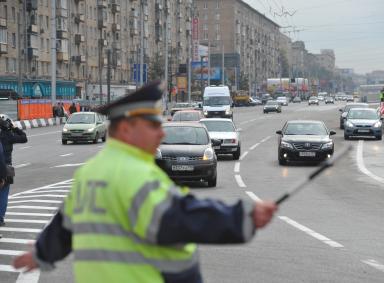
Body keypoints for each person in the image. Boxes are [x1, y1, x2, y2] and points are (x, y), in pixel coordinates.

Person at [13, 81, 277, 282]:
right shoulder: (134, 174)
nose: (162, 131)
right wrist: (243, 217)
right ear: (127, 129)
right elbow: (179, 218)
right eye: (153, 124)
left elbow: (65, 226)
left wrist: (41, 254)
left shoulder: (90, 172)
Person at [0, 116, 28, 226]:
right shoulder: (9, 136)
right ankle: (0, 218)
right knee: (3, 195)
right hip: (6, 168)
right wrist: (14, 128)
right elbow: (24, 138)